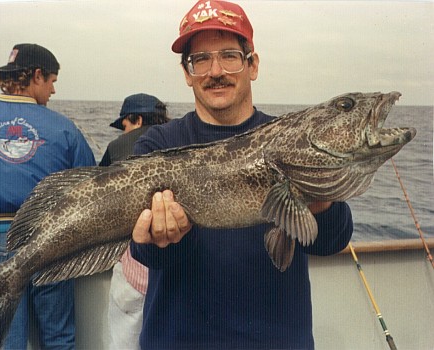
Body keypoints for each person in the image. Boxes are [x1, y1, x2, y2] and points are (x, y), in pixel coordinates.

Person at [130, 1, 354, 349]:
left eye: (230, 55)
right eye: (200, 59)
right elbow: (149, 256)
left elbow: (331, 242)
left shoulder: (291, 136)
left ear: (253, 65)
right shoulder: (158, 145)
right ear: (187, 73)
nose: (215, 70)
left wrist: (320, 198)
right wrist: (164, 238)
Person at [0, 43, 96, 350]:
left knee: (3, 340)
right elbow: (88, 188)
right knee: (59, 338)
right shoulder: (65, 128)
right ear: (36, 75)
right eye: (51, 81)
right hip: (52, 243)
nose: (52, 91)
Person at [101, 93, 169, 350]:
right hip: (175, 272)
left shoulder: (118, 147)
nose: (124, 132)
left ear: (136, 119)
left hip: (133, 268)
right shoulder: (179, 141)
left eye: (125, 125)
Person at [99, 93, 169, 166]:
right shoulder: (176, 137)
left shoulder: (115, 146)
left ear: (138, 121)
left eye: (124, 126)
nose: (124, 133)